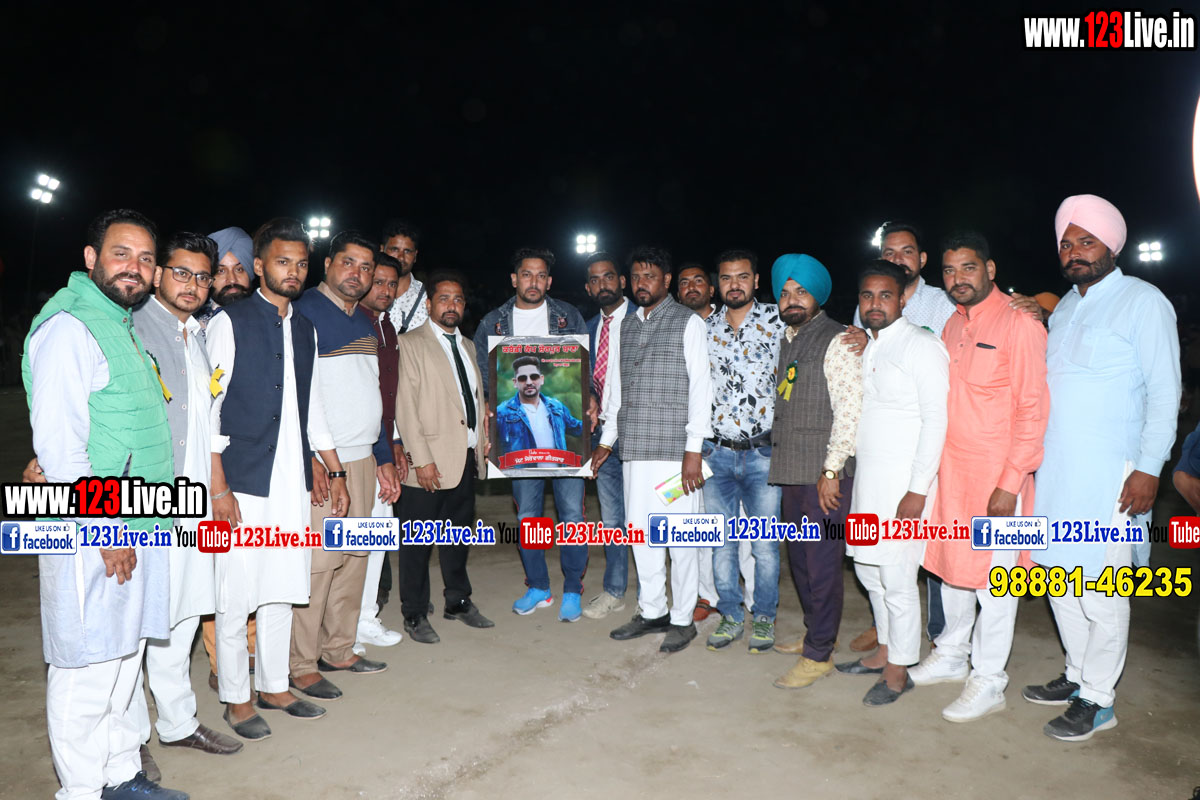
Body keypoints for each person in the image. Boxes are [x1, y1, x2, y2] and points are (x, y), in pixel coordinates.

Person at [23, 209, 188, 799]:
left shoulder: (119, 322)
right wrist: (105, 529)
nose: (134, 268)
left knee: (123, 660)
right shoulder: (70, 327)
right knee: (87, 667)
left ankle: (119, 776)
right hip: (95, 528)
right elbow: (60, 448)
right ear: (91, 258)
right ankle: (81, 790)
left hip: (143, 517)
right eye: (122, 253)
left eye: (145, 258)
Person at [1025, 194, 1180, 741]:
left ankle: (1099, 700)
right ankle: (1076, 675)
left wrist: (1149, 468)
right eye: (1066, 244)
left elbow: (1166, 392)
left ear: (1112, 245)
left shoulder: (1144, 301)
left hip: (1115, 476)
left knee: (1103, 590)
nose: (1074, 252)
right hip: (1057, 474)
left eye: (1086, 241)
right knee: (1059, 582)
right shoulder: (1066, 308)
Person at [207, 217, 350, 739]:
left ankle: (273, 685)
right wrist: (218, 487)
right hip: (241, 483)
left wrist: (334, 469)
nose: (293, 271)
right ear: (259, 265)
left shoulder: (305, 328)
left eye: (301, 264)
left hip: (290, 482)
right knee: (234, 594)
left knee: (282, 586)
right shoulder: (229, 321)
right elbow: (210, 409)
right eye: (283, 262)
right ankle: (236, 697)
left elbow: (312, 409)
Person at [910, 232, 1049, 723]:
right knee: (952, 570)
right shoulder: (952, 324)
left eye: (968, 268)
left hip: (998, 482)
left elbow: (1033, 408)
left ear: (990, 269)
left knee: (997, 583)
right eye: (949, 271)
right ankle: (951, 653)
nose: (957, 279)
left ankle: (989, 680)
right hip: (953, 475)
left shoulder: (1020, 322)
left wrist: (1011, 482)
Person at [130, 232, 244, 764]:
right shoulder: (133, 329)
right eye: (181, 272)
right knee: (137, 622)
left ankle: (178, 722)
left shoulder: (195, 334)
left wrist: (216, 487)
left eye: (203, 276)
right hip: (145, 502)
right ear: (157, 274)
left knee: (182, 615)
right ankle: (129, 742)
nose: (193, 285)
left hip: (194, 503)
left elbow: (206, 420)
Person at [289, 231, 401, 701]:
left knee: (354, 561)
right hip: (325, 462)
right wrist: (309, 457)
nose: (357, 273)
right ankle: (300, 664)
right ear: (328, 263)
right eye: (348, 263)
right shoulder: (304, 314)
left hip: (362, 457)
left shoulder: (365, 321)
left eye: (366, 267)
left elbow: (373, 396)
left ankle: (339, 649)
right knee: (320, 565)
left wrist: (383, 456)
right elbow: (294, 397)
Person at [837, 260, 948, 707]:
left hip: (906, 488)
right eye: (867, 295)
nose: (875, 304)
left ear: (903, 299)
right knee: (869, 571)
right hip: (870, 484)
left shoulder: (923, 345)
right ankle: (884, 650)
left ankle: (899, 670)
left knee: (898, 578)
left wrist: (918, 488)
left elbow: (937, 420)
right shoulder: (872, 347)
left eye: (885, 295)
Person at [596, 246, 713, 653]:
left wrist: (693, 449)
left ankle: (682, 618)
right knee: (642, 536)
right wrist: (607, 441)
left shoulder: (687, 322)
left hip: (675, 455)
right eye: (636, 276)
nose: (641, 283)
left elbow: (701, 388)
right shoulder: (626, 325)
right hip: (635, 451)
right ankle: (652, 611)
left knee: (679, 540)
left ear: (666, 280)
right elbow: (616, 390)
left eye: (650, 276)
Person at [474, 247, 590, 622]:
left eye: (541, 275)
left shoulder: (569, 317)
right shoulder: (493, 323)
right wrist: (486, 408)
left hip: (564, 457)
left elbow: (586, 370)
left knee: (572, 518)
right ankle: (538, 586)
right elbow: (482, 378)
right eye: (526, 274)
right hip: (519, 452)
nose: (533, 282)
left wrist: (591, 400)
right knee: (529, 518)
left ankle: (572, 588)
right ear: (514, 279)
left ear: (549, 281)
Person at [766, 254, 862, 690]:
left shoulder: (838, 340)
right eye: (785, 293)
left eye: (801, 291)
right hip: (793, 469)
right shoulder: (788, 338)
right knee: (801, 562)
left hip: (823, 475)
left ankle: (819, 654)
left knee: (822, 564)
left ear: (818, 296)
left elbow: (849, 411)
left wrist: (832, 469)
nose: (791, 299)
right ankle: (816, 635)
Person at [394, 271, 494, 643]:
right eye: (444, 298)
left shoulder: (467, 345)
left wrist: (482, 441)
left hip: (464, 459)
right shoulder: (410, 344)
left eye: (458, 299)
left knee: (457, 538)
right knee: (417, 545)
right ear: (429, 304)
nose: (451, 305)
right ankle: (414, 612)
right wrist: (421, 460)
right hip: (428, 463)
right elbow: (405, 408)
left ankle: (458, 601)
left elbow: (473, 401)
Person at [701, 249, 785, 654]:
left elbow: (822, 335)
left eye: (742, 276)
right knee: (721, 543)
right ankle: (731, 615)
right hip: (716, 454)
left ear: (755, 281)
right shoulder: (705, 328)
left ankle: (764, 618)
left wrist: (856, 334)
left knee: (765, 546)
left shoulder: (778, 319)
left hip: (763, 455)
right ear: (717, 283)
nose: (734, 284)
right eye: (726, 277)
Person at [676, 261, 753, 621]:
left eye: (699, 281)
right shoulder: (677, 327)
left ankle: (752, 599)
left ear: (711, 289)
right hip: (694, 444)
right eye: (684, 283)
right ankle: (708, 594)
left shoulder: (730, 322)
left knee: (744, 529)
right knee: (702, 525)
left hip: (735, 444)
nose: (692, 287)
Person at [354, 251, 407, 653]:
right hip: (357, 449)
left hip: (384, 445)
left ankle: (365, 618)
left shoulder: (388, 327)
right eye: (379, 282)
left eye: (392, 284)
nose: (386, 290)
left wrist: (396, 444)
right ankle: (344, 626)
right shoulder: (354, 325)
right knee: (351, 543)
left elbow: (391, 397)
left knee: (376, 538)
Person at [581, 253, 632, 619]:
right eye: (595, 280)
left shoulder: (645, 319)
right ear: (588, 288)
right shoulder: (586, 329)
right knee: (612, 520)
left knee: (651, 517)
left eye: (609, 277)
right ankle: (615, 590)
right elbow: (585, 380)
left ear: (622, 281)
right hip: (602, 437)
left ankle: (661, 595)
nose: (603, 284)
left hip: (642, 436)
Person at [495, 356, 584, 456]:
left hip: (558, 466)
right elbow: (488, 440)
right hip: (519, 467)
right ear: (515, 383)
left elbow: (579, 428)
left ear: (541, 379)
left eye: (534, 377)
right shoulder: (501, 413)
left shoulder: (557, 407)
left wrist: (593, 419)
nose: (529, 382)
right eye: (522, 378)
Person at [195, 227, 254, 327]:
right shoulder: (192, 327)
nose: (232, 280)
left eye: (239, 269)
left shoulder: (272, 318)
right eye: (221, 271)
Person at [382, 219, 428, 336]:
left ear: (415, 256)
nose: (401, 257)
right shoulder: (365, 291)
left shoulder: (427, 299)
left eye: (407, 251)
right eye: (394, 249)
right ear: (382, 250)